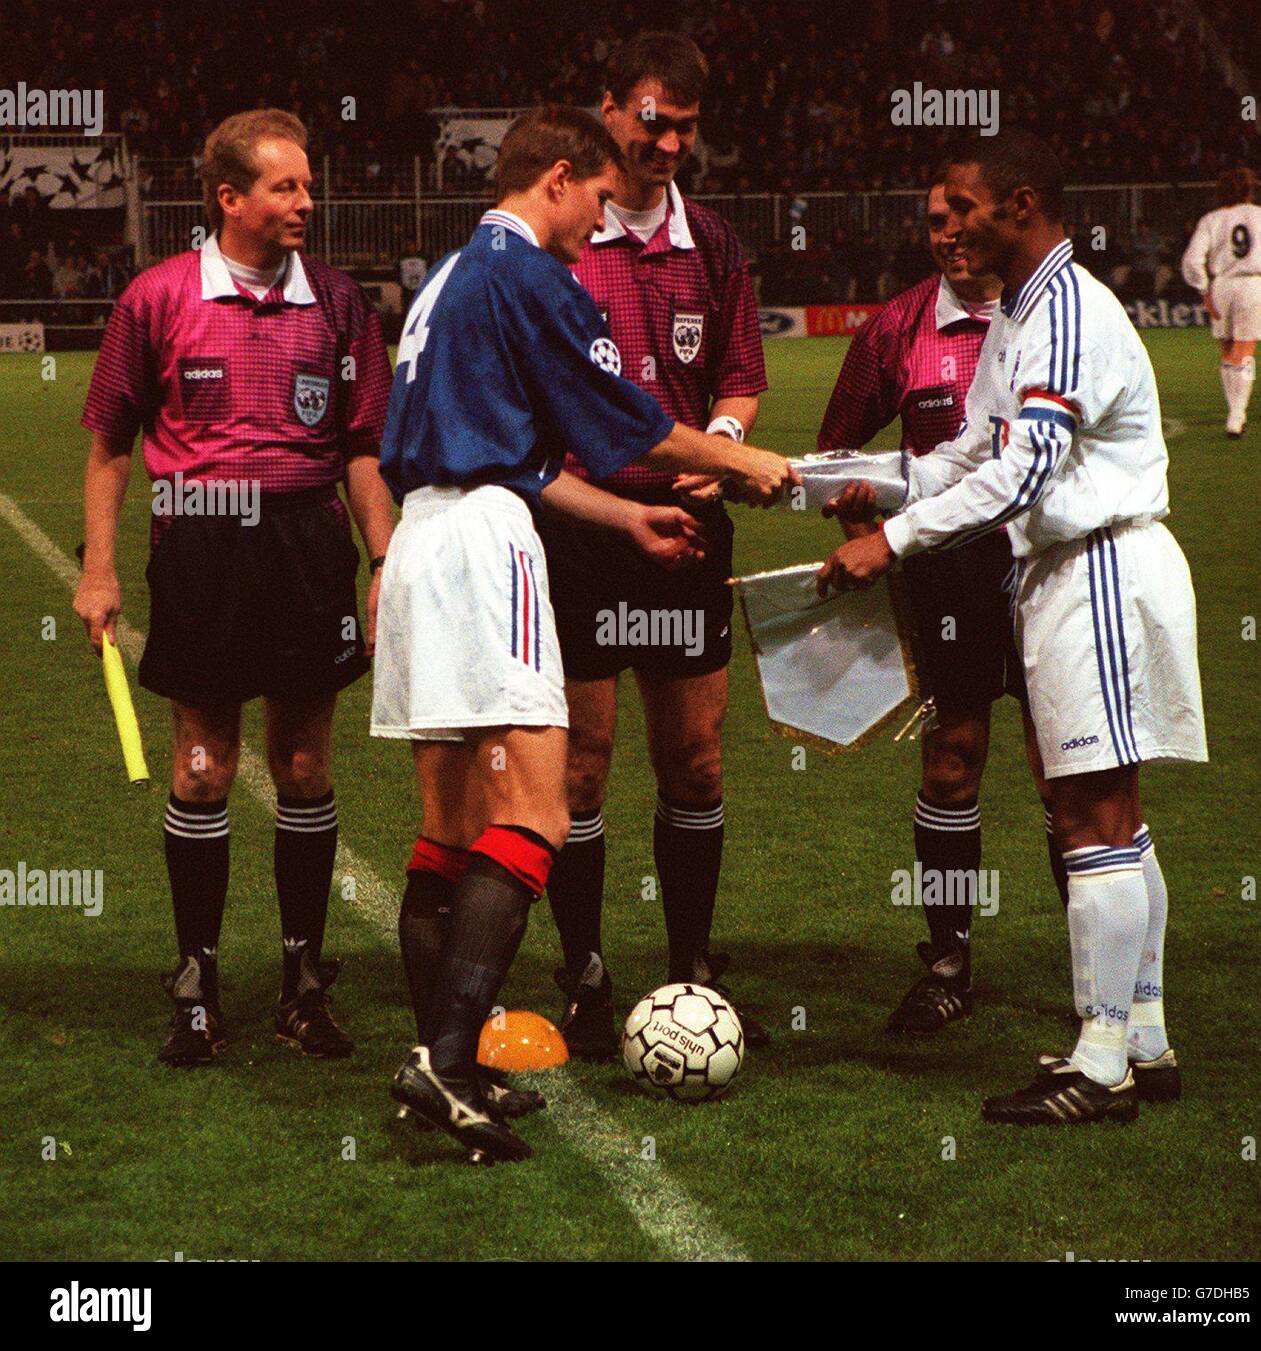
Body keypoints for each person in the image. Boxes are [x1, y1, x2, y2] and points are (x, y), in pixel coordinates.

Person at [372, 104, 794, 1163]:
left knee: (455, 826)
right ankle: (447, 1058)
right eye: (598, 199)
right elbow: (632, 423)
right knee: (539, 810)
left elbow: (520, 453)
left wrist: (623, 515)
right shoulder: (531, 275)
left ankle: (447, 1063)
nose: (599, 221)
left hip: (422, 540)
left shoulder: (448, 279)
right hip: (482, 547)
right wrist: (752, 464)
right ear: (557, 177)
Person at [820, 130, 1206, 1125]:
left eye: (963, 205)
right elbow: (965, 457)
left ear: (1020, 203)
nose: (946, 224)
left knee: (1091, 817)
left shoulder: (1066, 308)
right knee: (1104, 813)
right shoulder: (1022, 317)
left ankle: (1102, 1061)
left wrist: (892, 541)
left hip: (1101, 568)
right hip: (1068, 573)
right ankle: (1143, 1040)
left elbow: (1027, 471)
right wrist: (839, 486)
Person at [74, 109, 394, 1067]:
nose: (308, 202)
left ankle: (303, 979)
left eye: (306, 184)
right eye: (287, 187)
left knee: (303, 765)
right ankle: (197, 980)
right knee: (202, 767)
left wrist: (386, 562)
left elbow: (363, 449)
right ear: (230, 197)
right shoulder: (157, 299)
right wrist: (97, 568)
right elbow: (108, 444)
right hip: (203, 547)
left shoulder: (341, 305)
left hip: (306, 543)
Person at [538, 33, 771, 1059]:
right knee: (581, 765)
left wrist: (720, 443)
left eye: (684, 124)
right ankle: (584, 971)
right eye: (651, 118)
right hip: (582, 527)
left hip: (684, 530)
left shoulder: (712, 243)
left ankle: (690, 967)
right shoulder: (562, 236)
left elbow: (740, 374)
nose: (669, 140)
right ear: (607, 110)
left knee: (695, 759)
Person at [819, 175, 1067, 1038]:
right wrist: (871, 541)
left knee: (1061, 766)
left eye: (963, 217)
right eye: (933, 221)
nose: (950, 236)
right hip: (946, 579)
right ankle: (949, 960)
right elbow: (842, 450)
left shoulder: (1044, 324)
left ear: (1005, 218)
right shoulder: (897, 326)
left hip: (1049, 571)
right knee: (952, 761)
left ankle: (1094, 968)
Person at [1180, 167, 1261, 438]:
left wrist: (1204, 290)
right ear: (1251, 190)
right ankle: (1236, 417)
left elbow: (1192, 260)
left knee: (1228, 351)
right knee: (1244, 350)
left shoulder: (1211, 219)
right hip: (1253, 283)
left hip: (1222, 285)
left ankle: (1236, 414)